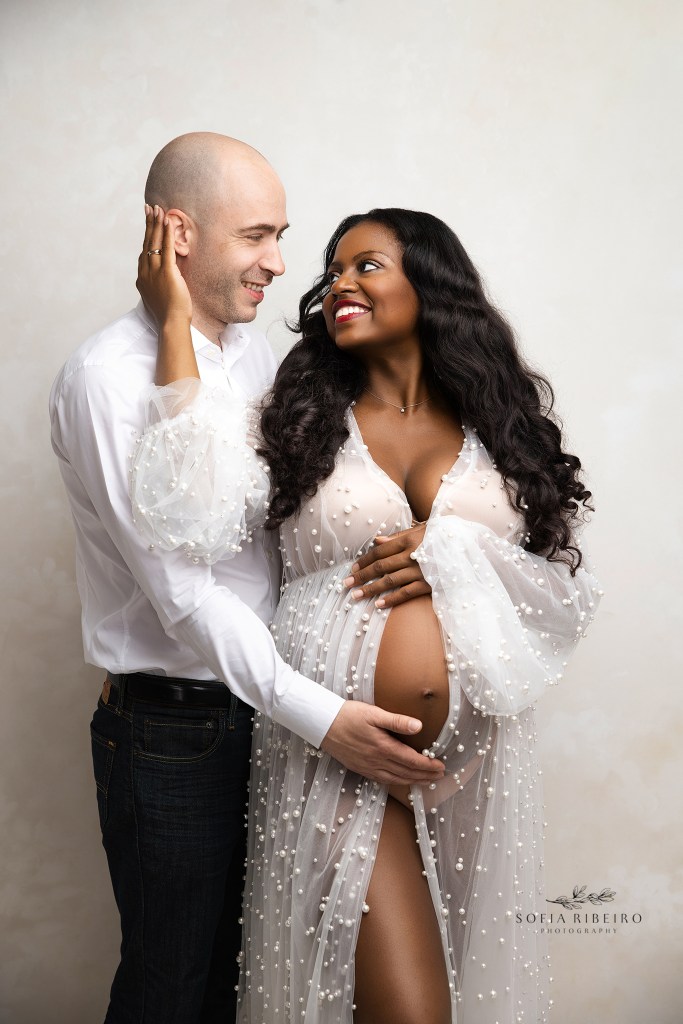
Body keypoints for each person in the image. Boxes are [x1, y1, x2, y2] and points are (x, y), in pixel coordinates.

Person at [132, 207, 601, 1023]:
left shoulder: (503, 431)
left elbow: (560, 604)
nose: (338, 284)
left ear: (430, 284)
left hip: (476, 767)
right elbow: (188, 514)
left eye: (367, 266)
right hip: (338, 754)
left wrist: (454, 552)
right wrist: (174, 320)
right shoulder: (295, 424)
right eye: (334, 271)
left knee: (468, 997)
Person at [48, 136, 444, 1024]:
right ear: (177, 233)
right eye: (257, 236)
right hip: (173, 733)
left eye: (282, 237)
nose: (277, 263)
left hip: (276, 721)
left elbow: (313, 511)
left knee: (254, 982)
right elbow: (183, 591)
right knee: (172, 989)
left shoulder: (261, 359)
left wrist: (433, 537)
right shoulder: (107, 380)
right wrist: (324, 718)